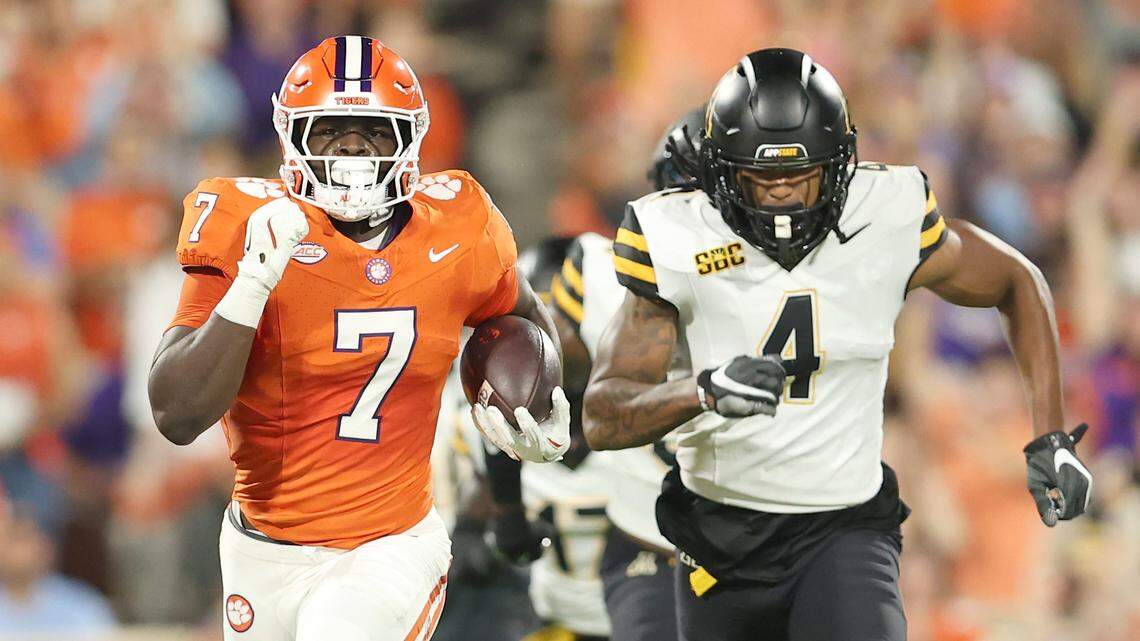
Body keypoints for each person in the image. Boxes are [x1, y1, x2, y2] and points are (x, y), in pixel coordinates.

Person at [582, 47, 1094, 641]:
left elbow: (1016, 279)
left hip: (842, 526)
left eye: (802, 175)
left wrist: (1051, 434)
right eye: (762, 176)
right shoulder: (677, 236)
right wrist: (702, 392)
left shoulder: (886, 215)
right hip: (720, 536)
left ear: (841, 164)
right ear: (721, 174)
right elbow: (604, 414)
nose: (784, 195)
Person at [148, 35, 570, 641]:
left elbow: (525, 323)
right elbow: (176, 414)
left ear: (411, 139)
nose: (351, 147)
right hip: (260, 549)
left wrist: (540, 403)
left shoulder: (459, 225)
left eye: (374, 131)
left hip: (389, 547)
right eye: (328, 130)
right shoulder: (246, 225)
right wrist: (253, 282)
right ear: (290, 136)